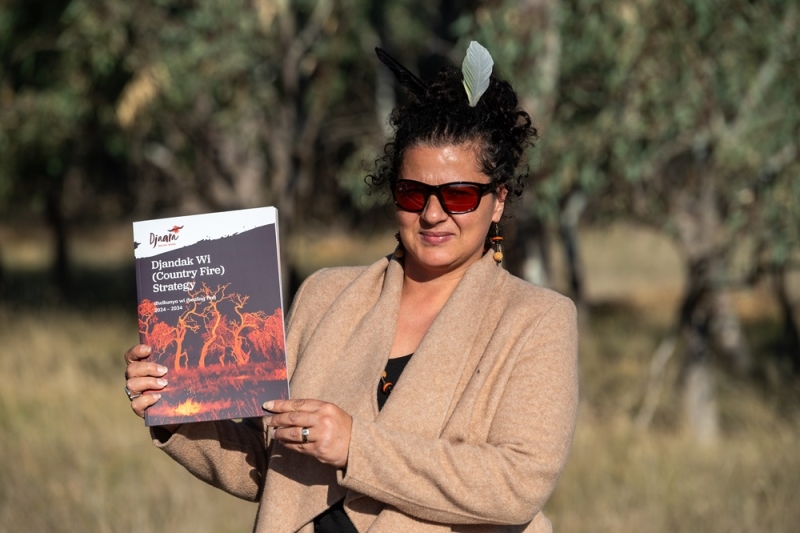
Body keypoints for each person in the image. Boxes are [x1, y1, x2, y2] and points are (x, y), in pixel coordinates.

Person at [124, 43, 578, 533]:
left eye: (459, 195)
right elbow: (270, 468)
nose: (431, 213)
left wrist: (355, 446)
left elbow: (515, 485)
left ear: (497, 201)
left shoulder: (537, 319)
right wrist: (175, 413)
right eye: (412, 193)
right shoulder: (324, 295)